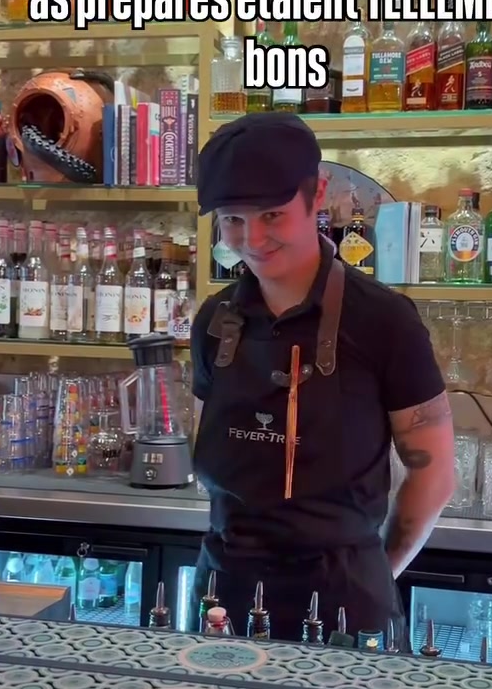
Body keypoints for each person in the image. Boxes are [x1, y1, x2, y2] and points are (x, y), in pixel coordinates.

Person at [190, 111, 455, 642]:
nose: (252, 239)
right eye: (233, 219)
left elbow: (434, 475)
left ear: (318, 194)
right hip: (223, 596)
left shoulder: (384, 320)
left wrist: (373, 573)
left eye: (272, 214)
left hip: (344, 603)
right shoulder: (215, 322)